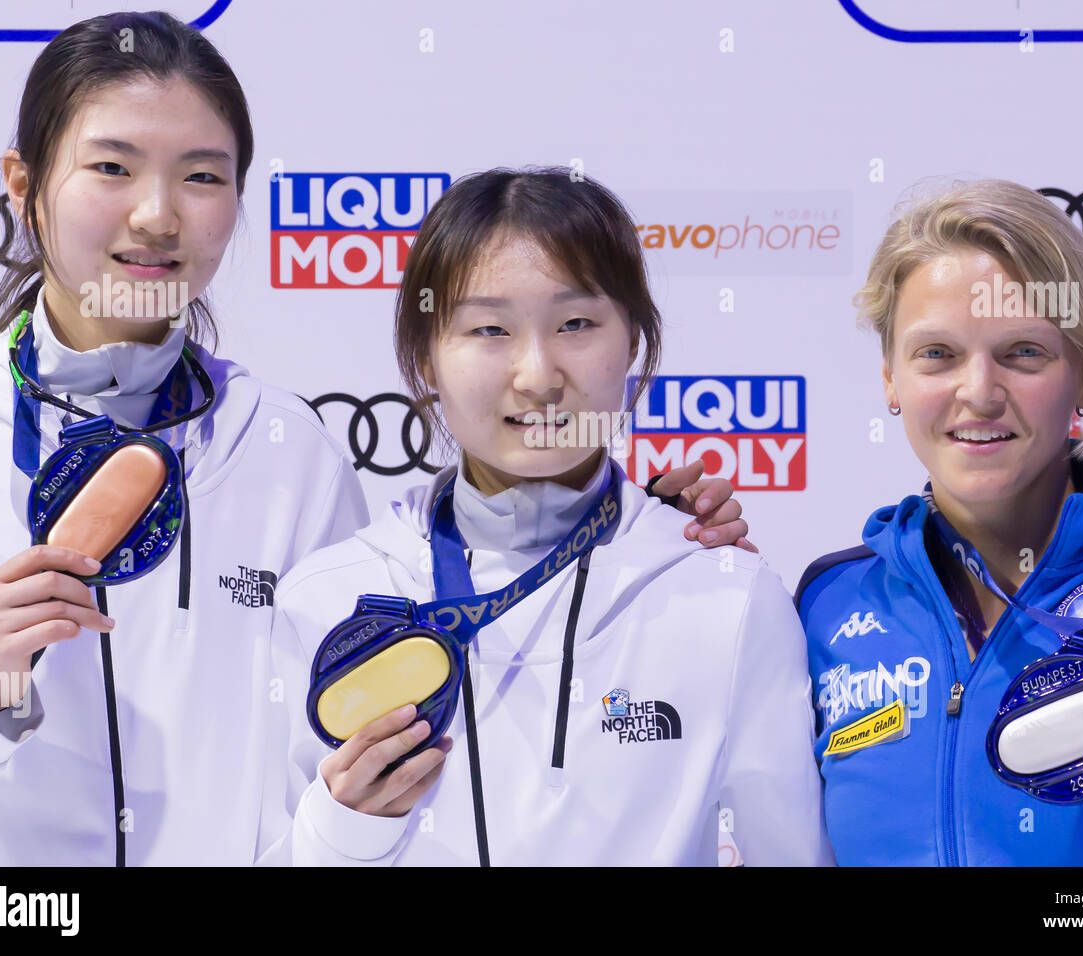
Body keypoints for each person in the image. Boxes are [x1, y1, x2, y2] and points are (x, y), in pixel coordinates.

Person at [0, 12, 738, 867]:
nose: (158, 214)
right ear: (22, 185)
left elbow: (344, 757)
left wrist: (628, 541)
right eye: (111, 168)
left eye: (201, 175)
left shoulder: (287, 451)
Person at [265, 168, 833, 865]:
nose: (537, 374)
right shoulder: (324, 599)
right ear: (426, 357)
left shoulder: (726, 597)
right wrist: (344, 829)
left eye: (575, 324)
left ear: (634, 343)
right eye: (490, 329)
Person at [795, 179, 1083, 866]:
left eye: (1023, 352)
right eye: (937, 354)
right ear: (890, 380)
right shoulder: (825, 602)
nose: (980, 392)